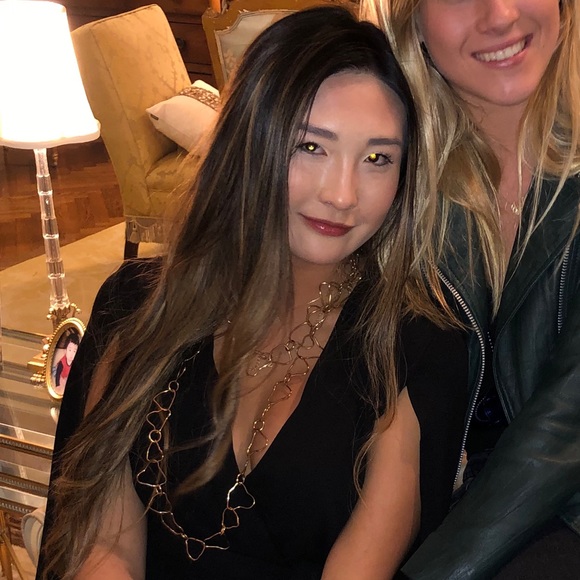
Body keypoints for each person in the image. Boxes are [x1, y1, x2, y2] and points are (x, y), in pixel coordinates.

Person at [37, 6, 467, 580]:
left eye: (376, 158)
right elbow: (102, 547)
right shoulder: (134, 306)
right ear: (248, 141)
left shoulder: (413, 345)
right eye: (310, 146)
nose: (342, 195)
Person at [360, 0, 580, 578]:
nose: (500, 15)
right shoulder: (387, 164)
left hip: (558, 504)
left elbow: (566, 422)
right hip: (423, 492)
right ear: (412, 22)